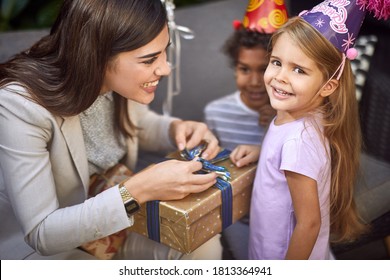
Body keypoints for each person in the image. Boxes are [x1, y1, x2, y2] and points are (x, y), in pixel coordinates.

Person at [0, 0, 223, 260]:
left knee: (200, 241)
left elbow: (138, 125)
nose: (165, 68)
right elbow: (43, 234)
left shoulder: (115, 83)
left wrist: (176, 129)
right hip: (48, 250)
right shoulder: (19, 106)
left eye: (164, 52)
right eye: (150, 59)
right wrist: (137, 190)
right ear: (97, 56)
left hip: (112, 226)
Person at [229, 0, 384, 259]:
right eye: (277, 62)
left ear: (327, 86)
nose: (280, 76)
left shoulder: (297, 142)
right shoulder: (307, 115)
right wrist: (264, 153)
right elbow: (299, 157)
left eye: (299, 70)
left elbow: (309, 223)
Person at [203, 1, 288, 260]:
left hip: (285, 214)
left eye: (264, 69)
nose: (254, 82)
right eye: (244, 69)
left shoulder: (293, 116)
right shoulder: (216, 112)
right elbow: (214, 163)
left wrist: (281, 118)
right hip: (237, 217)